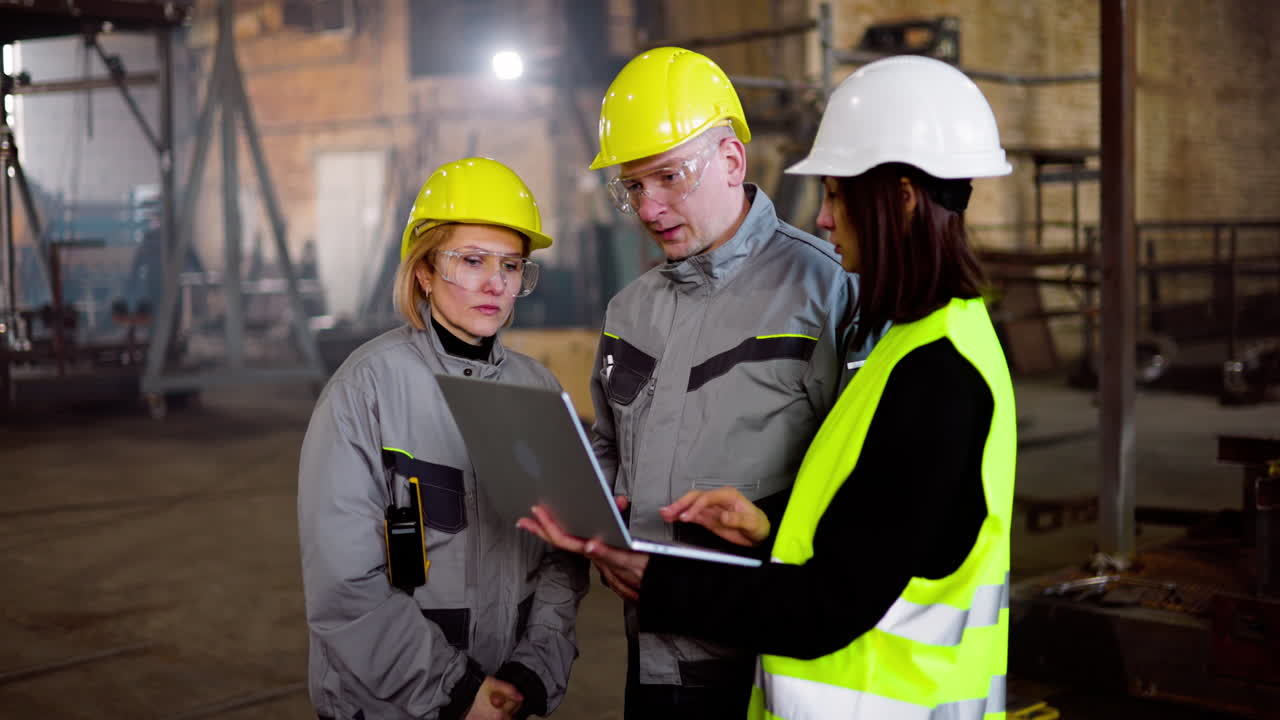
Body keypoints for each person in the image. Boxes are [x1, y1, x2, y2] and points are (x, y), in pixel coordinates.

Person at [521, 55, 1017, 719]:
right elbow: (858, 515)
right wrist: (767, 525)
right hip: (679, 654)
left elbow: (834, 598)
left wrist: (668, 585)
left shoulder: (920, 361)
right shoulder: (916, 342)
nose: (823, 217)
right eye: (631, 186)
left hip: (811, 672)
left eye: (838, 195)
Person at [581, 47, 866, 719]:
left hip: (763, 653)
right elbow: (606, 445)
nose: (649, 207)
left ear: (732, 162)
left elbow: (860, 483)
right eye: (633, 187)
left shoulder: (827, 292)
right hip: (648, 646)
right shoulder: (630, 310)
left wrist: (769, 529)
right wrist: (595, 511)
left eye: (668, 178)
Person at [299, 157, 589, 720]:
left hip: (507, 696)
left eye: (510, 265)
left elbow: (564, 557)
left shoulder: (539, 389)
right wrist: (457, 692)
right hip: (391, 706)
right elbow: (343, 586)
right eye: (473, 261)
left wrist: (532, 670)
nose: (495, 283)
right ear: (424, 272)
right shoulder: (365, 391)